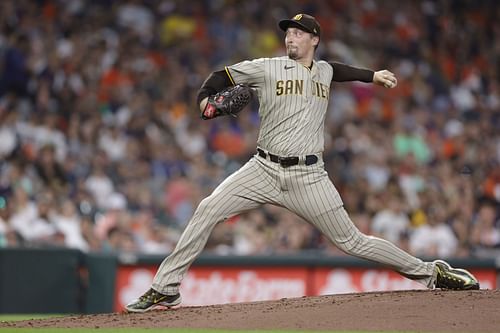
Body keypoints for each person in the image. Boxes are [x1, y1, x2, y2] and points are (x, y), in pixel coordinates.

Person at [126, 13, 479, 313]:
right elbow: (222, 76)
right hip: (262, 169)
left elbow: (338, 70)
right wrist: (205, 100)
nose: (290, 38)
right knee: (207, 208)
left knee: (353, 241)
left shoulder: (323, 71)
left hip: (309, 176)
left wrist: (371, 75)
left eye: (297, 33)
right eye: (288, 33)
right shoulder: (267, 68)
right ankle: (166, 286)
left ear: (314, 39)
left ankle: (431, 273)